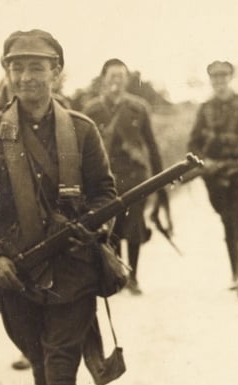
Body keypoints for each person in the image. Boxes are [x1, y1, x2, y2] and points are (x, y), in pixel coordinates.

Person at [0, 29, 117, 385]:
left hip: (73, 273)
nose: (26, 77)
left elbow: (106, 194)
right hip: (16, 274)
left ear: (56, 71)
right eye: (17, 67)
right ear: (7, 71)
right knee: (43, 372)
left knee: (61, 373)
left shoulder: (81, 130)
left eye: (37, 68)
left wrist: (93, 230)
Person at [82, 58, 169, 295]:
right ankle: (117, 273)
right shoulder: (92, 110)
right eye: (112, 76)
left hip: (134, 177)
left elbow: (151, 145)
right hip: (105, 178)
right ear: (103, 79)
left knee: (134, 226)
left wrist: (160, 178)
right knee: (112, 226)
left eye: (121, 77)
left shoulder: (138, 108)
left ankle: (134, 277)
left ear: (127, 80)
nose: (117, 82)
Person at [187, 60, 238, 298]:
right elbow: (193, 143)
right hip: (216, 177)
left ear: (230, 78)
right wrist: (204, 161)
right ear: (211, 80)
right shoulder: (205, 109)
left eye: (223, 77)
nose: (219, 82)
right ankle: (235, 274)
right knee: (228, 221)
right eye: (215, 78)